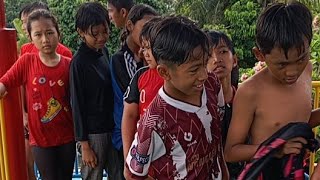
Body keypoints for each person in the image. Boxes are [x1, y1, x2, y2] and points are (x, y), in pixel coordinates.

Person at [125, 15, 228, 180]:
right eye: (194, 70)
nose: (203, 75)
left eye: (204, 64)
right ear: (164, 72)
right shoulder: (154, 121)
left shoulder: (212, 84)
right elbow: (132, 174)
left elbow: (216, 139)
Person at [224, 2, 315, 179]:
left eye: (301, 59)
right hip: (264, 173)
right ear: (260, 55)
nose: (292, 71)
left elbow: (297, 120)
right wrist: (276, 148)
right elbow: (231, 152)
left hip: (295, 171)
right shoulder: (250, 91)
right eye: (282, 64)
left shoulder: (307, 70)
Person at [0, 9, 75, 180]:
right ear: (31, 37)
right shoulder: (27, 61)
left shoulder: (69, 65)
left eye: (49, 33)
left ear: (58, 33)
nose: (45, 39)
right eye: (38, 34)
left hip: (67, 137)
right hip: (40, 140)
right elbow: (5, 83)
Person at [70, 2, 121, 180]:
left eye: (105, 31)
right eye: (94, 33)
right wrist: (84, 145)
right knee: (93, 176)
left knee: (118, 174)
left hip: (112, 126)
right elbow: (76, 104)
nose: (101, 37)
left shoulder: (104, 52)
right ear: (81, 32)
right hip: (93, 135)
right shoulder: (78, 63)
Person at [110, 4, 158, 178]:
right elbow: (132, 105)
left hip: (152, 138)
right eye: (146, 27)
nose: (151, 33)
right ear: (129, 26)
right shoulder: (120, 60)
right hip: (129, 137)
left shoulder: (157, 64)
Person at [122, 16, 163, 162]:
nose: (145, 53)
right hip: (144, 152)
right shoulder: (141, 75)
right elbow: (129, 116)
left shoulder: (179, 77)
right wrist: (128, 157)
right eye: (143, 47)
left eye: (149, 47)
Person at [207, 31, 242, 179]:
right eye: (209, 55)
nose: (216, 59)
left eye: (222, 51)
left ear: (234, 60)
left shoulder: (245, 99)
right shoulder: (199, 104)